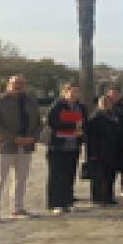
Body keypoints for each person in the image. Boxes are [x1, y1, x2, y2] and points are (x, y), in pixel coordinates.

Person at [0, 75, 42, 224]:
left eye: (21, 84)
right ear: (8, 85)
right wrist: (13, 138)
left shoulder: (30, 101)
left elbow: (38, 122)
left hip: (26, 146)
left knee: (21, 178)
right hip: (5, 146)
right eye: (15, 83)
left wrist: (33, 137)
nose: (18, 86)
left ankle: (18, 208)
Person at [45, 82, 88, 214]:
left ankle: (67, 201)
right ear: (65, 92)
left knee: (69, 175)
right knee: (56, 176)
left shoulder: (80, 107)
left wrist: (79, 128)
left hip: (73, 146)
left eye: (77, 92)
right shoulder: (58, 106)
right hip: (58, 146)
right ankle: (54, 203)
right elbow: (53, 121)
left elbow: (83, 122)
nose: (75, 94)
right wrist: (74, 123)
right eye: (72, 91)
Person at [86, 95, 121, 206]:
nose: (106, 104)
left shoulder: (113, 116)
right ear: (99, 104)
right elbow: (91, 137)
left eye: (108, 102)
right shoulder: (95, 117)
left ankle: (108, 197)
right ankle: (98, 198)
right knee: (99, 176)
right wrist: (92, 153)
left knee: (110, 175)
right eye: (104, 102)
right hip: (99, 151)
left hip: (112, 151)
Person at [106, 86, 123, 198]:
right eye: (112, 94)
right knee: (110, 169)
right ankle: (108, 191)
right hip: (109, 144)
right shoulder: (104, 106)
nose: (114, 96)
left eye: (116, 94)